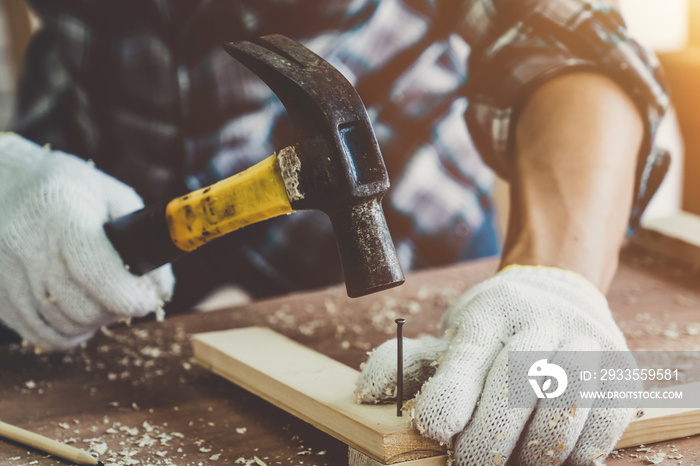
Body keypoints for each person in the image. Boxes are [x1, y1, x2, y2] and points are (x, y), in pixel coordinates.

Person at [0, 0, 670, 464]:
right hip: (75, 211)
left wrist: (557, 278)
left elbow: (574, 40)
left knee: (462, 400)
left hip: (419, 237)